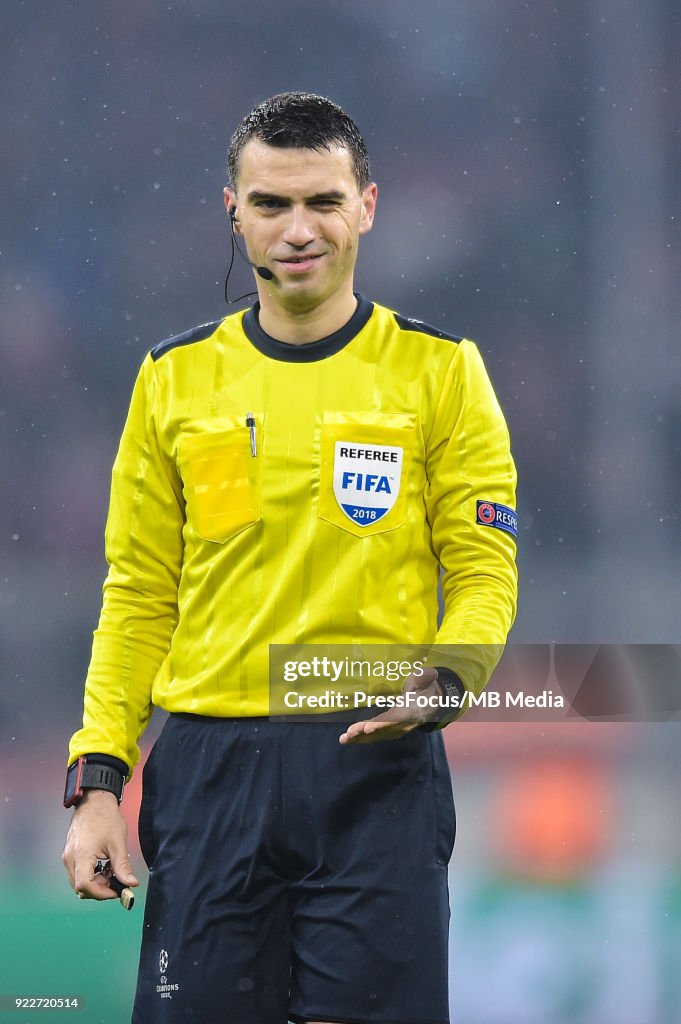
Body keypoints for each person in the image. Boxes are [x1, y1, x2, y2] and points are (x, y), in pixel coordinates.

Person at [62, 92, 518, 1024]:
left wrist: (447, 679)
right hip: (207, 773)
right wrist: (100, 780)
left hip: (374, 761)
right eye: (270, 204)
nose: (298, 229)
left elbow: (482, 570)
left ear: (368, 206)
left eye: (322, 201)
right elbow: (139, 595)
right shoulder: (174, 379)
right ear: (232, 211)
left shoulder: (440, 370)